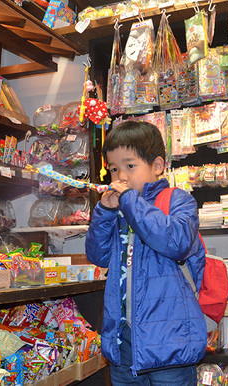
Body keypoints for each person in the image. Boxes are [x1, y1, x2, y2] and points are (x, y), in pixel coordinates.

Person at [86, 120, 206, 385]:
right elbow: (98, 255)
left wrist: (130, 201)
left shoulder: (178, 200)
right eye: (114, 169)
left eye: (130, 166)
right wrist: (104, 213)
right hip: (124, 346)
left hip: (171, 345)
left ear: (157, 166)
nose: (121, 177)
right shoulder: (118, 210)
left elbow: (174, 242)